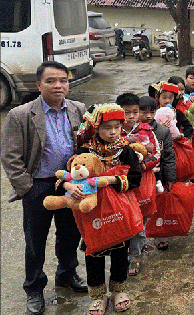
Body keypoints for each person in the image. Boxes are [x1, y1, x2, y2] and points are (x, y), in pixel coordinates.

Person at [0, 61, 87, 315]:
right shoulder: (21, 114)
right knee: (35, 240)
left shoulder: (79, 109)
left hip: (71, 184)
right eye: (51, 81)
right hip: (38, 185)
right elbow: (10, 157)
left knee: (70, 233)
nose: (58, 85)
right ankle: (35, 288)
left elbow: (84, 147)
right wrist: (27, 188)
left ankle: (67, 274)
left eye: (63, 80)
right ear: (39, 85)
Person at [74, 104, 142, 315]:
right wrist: (69, 186)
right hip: (92, 211)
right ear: (96, 128)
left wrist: (109, 179)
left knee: (121, 251)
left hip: (118, 209)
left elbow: (135, 178)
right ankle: (97, 296)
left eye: (116, 127)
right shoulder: (85, 151)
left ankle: (119, 290)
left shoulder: (125, 150)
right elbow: (71, 172)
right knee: (93, 252)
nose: (113, 132)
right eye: (107, 128)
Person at [116, 93, 160, 277]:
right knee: (122, 218)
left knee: (140, 219)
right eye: (127, 112)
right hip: (121, 183)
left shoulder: (147, 131)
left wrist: (143, 165)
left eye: (135, 112)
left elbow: (157, 155)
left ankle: (134, 255)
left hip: (142, 182)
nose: (131, 116)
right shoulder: (114, 130)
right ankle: (121, 252)